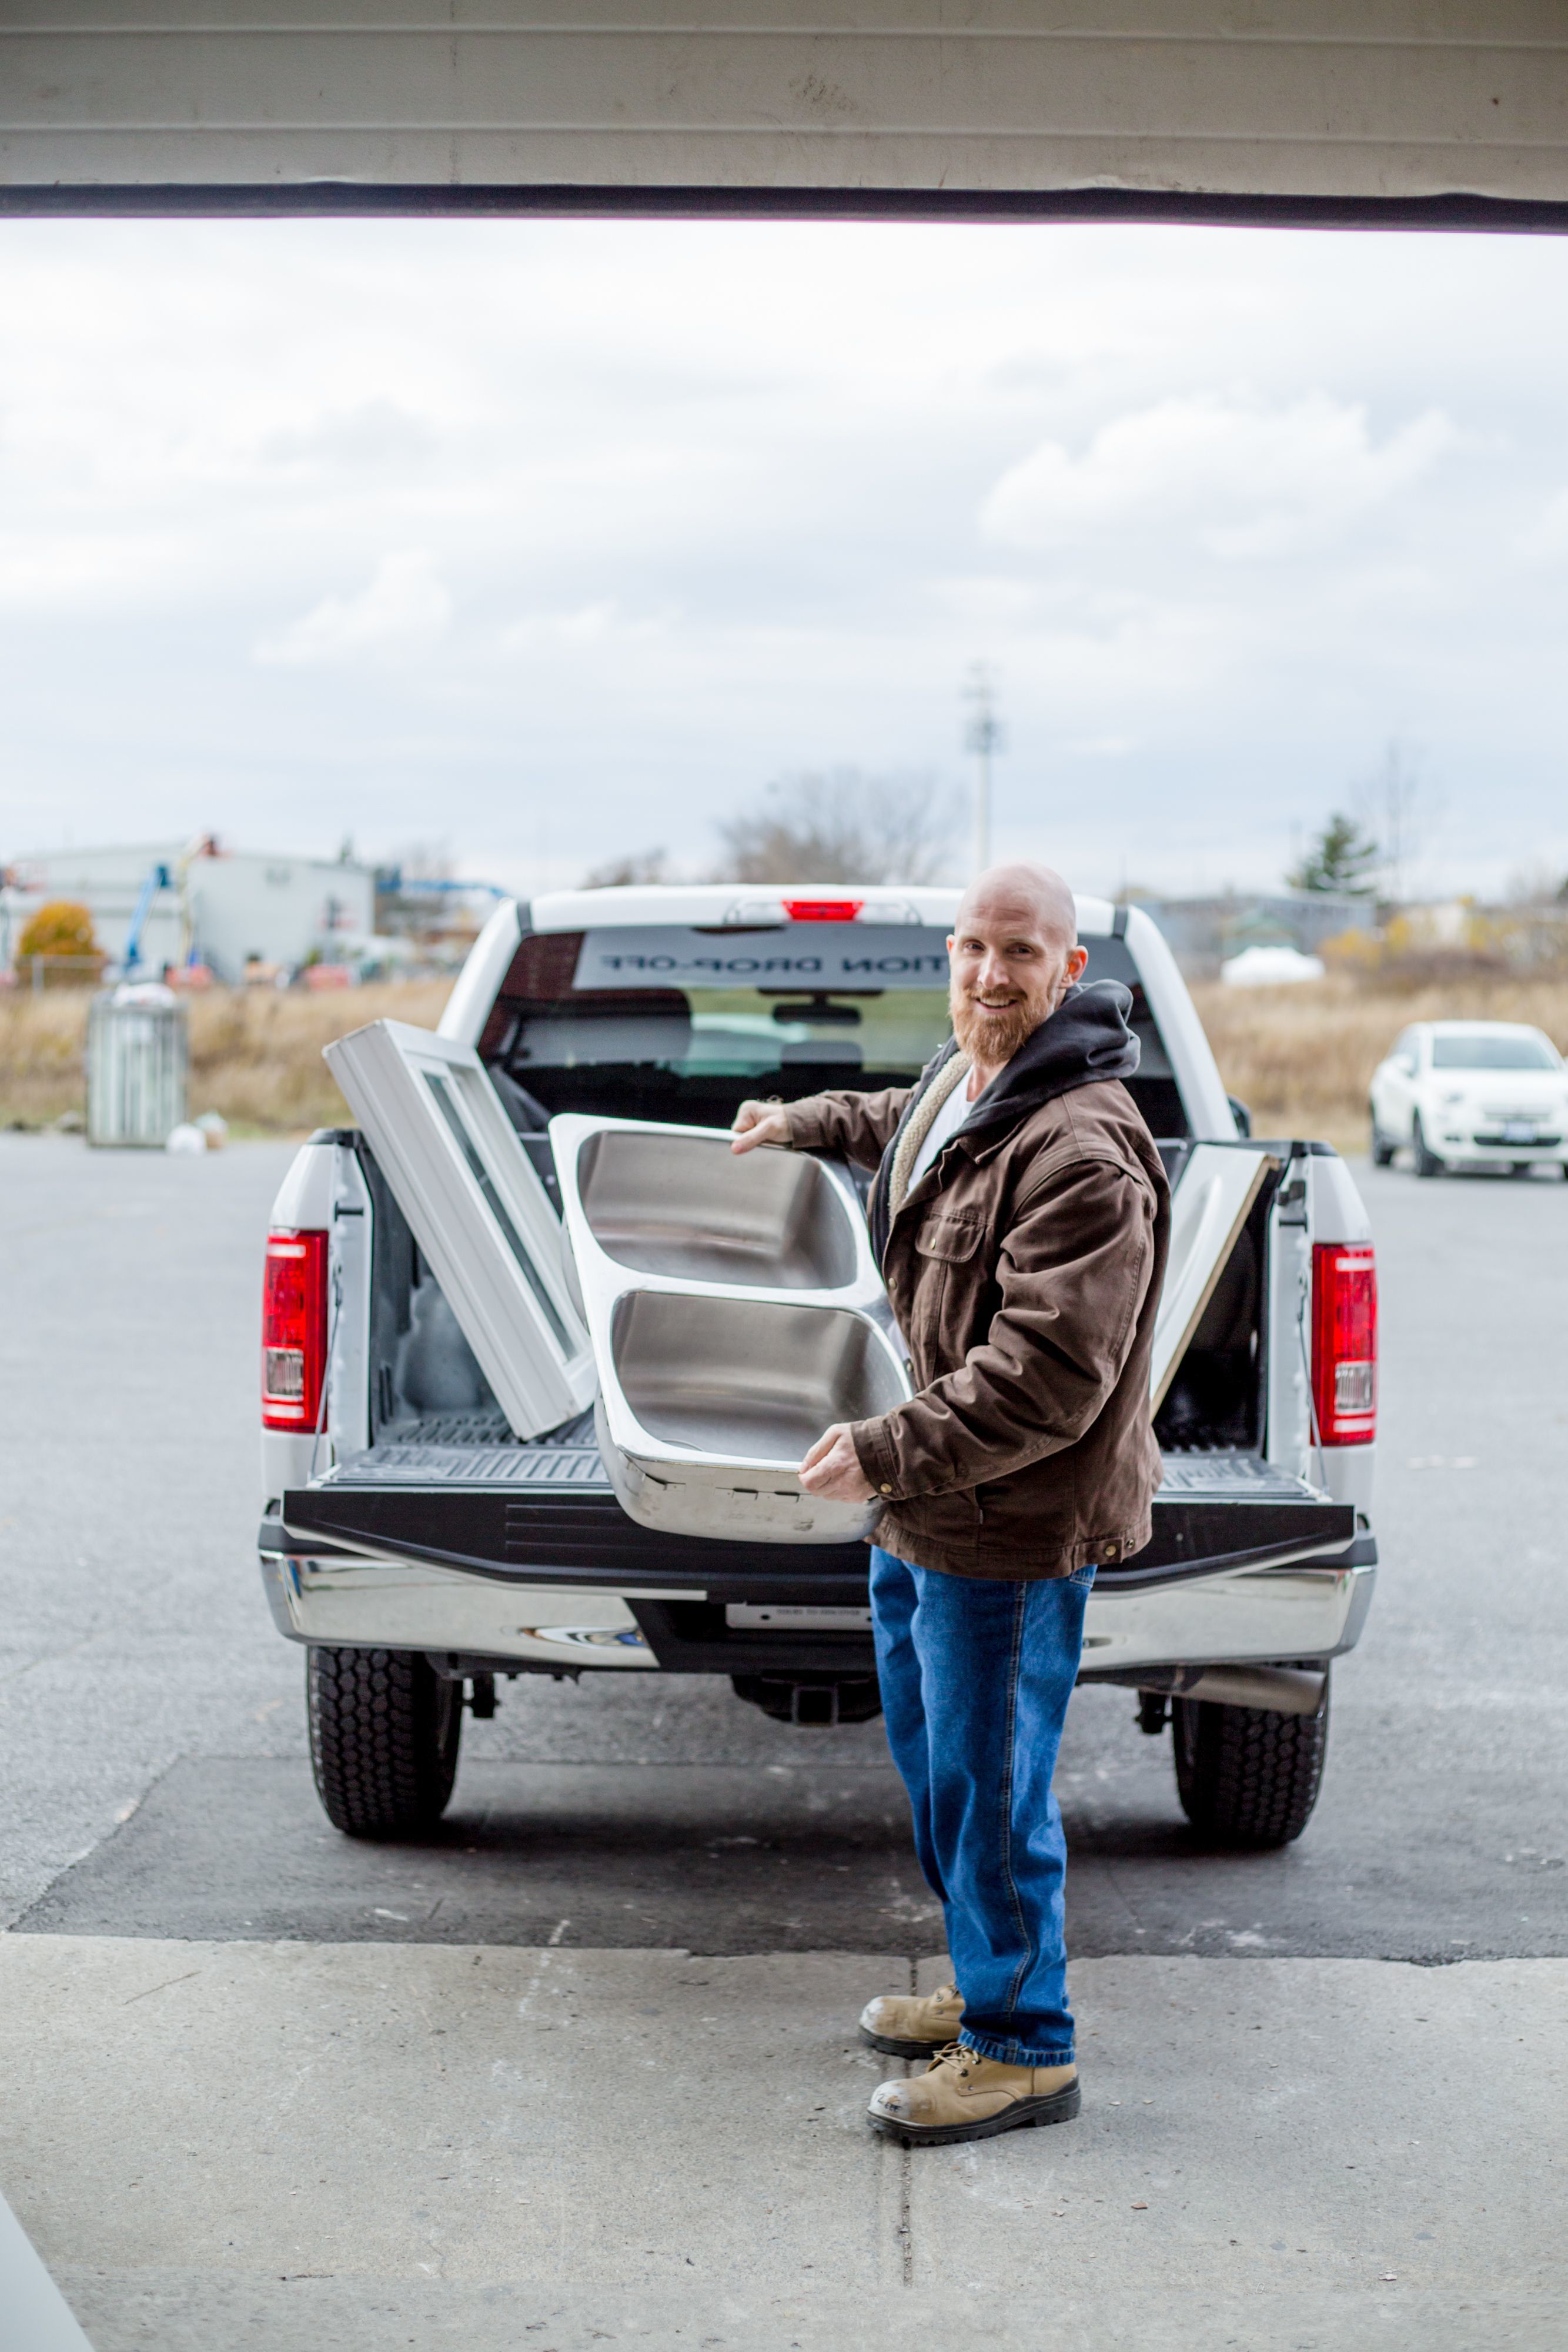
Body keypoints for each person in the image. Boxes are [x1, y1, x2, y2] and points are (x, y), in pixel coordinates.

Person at [730, 863, 1169, 2148]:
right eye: (971, 946)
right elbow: (897, 1121)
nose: (988, 973)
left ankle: (1023, 2043)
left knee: (993, 1785)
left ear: (1068, 969)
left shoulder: (1080, 1144)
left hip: (1009, 1522)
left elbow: (1043, 1376)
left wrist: (879, 1447)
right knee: (941, 1770)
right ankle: (987, 1979)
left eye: (1018, 952)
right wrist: (798, 1120)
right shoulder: (969, 1077)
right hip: (931, 1511)